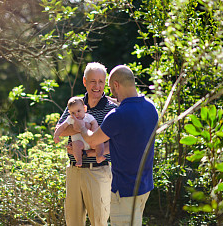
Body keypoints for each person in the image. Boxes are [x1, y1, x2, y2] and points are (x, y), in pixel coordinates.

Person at [72, 65, 159, 226]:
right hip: (144, 187)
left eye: (112, 90)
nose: (113, 95)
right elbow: (130, 117)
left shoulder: (117, 116)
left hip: (124, 191)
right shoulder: (150, 108)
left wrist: (82, 127)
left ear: (117, 85)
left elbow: (92, 140)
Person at [55, 62, 117, 226]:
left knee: (99, 222)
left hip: (98, 172)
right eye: (92, 81)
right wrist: (81, 128)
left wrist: (90, 149)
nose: (97, 86)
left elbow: (117, 143)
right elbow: (59, 129)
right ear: (84, 81)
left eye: (101, 82)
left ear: (105, 83)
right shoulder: (76, 104)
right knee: (73, 222)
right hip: (74, 171)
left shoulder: (112, 109)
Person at [54, 97, 105, 166]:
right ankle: (79, 160)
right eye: (73, 113)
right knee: (75, 145)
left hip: (91, 140)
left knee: (99, 142)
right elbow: (62, 126)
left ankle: (99, 156)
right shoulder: (70, 119)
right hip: (79, 142)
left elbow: (94, 123)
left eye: (78, 111)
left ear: (84, 109)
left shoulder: (88, 117)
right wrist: (56, 135)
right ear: (69, 113)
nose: (76, 114)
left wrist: (93, 132)